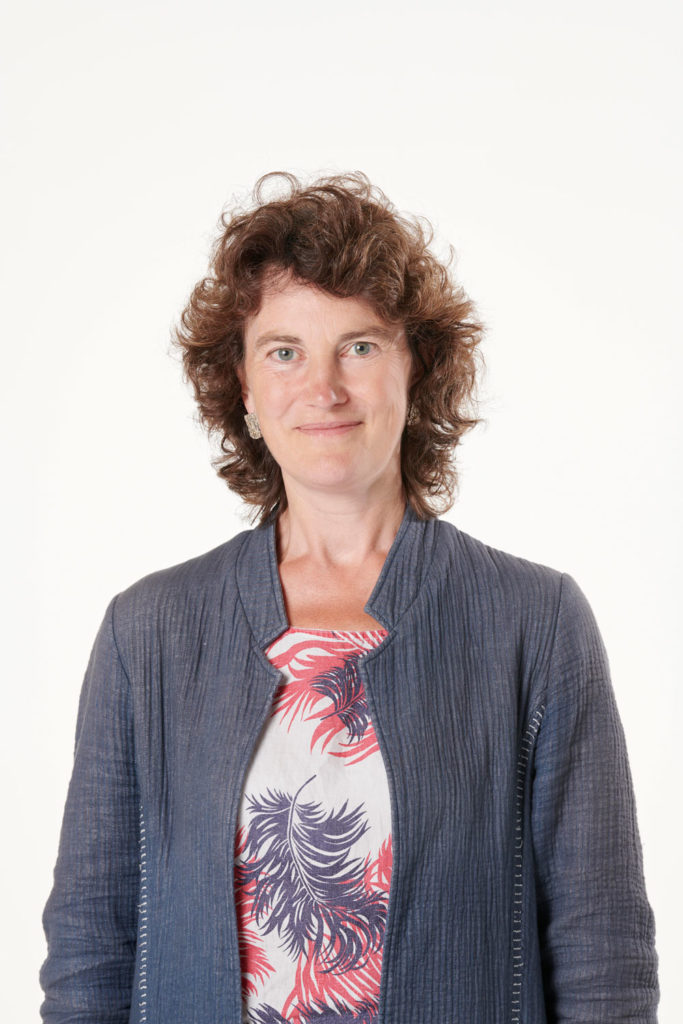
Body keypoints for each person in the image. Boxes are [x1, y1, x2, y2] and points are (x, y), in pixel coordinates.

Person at [40, 172, 659, 1024]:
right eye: (283, 351)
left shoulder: (533, 623)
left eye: (359, 347)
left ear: (417, 372)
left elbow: (602, 949)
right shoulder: (148, 632)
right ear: (246, 392)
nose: (322, 389)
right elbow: (88, 943)